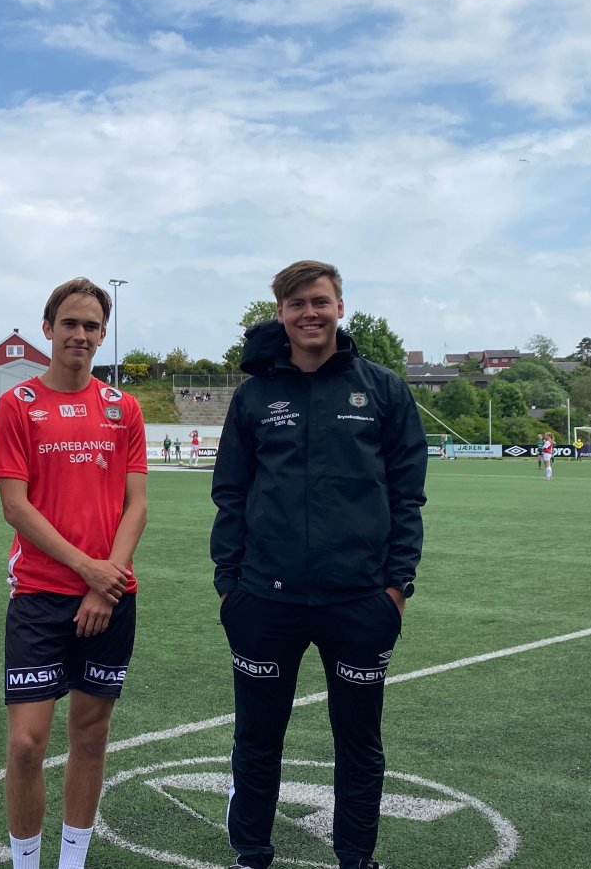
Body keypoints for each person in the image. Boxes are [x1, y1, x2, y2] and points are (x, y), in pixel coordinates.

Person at [211, 259, 427, 869]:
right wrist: (230, 585)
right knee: (257, 738)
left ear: (339, 308)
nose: (310, 313)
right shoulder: (255, 394)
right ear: (281, 313)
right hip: (264, 599)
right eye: (298, 303)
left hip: (359, 601)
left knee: (359, 742)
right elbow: (230, 493)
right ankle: (251, 852)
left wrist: (396, 587)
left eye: (320, 301)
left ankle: (356, 856)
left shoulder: (382, 388)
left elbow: (407, 495)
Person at [0, 277, 148, 869]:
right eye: (70, 323)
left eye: (91, 326)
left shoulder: (122, 407)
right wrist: (88, 571)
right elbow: (14, 506)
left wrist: (107, 583)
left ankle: (72, 861)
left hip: (111, 597)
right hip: (40, 595)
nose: (80, 334)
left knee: (91, 737)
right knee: (26, 745)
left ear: (103, 335)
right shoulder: (18, 404)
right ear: (48, 328)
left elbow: (136, 505)